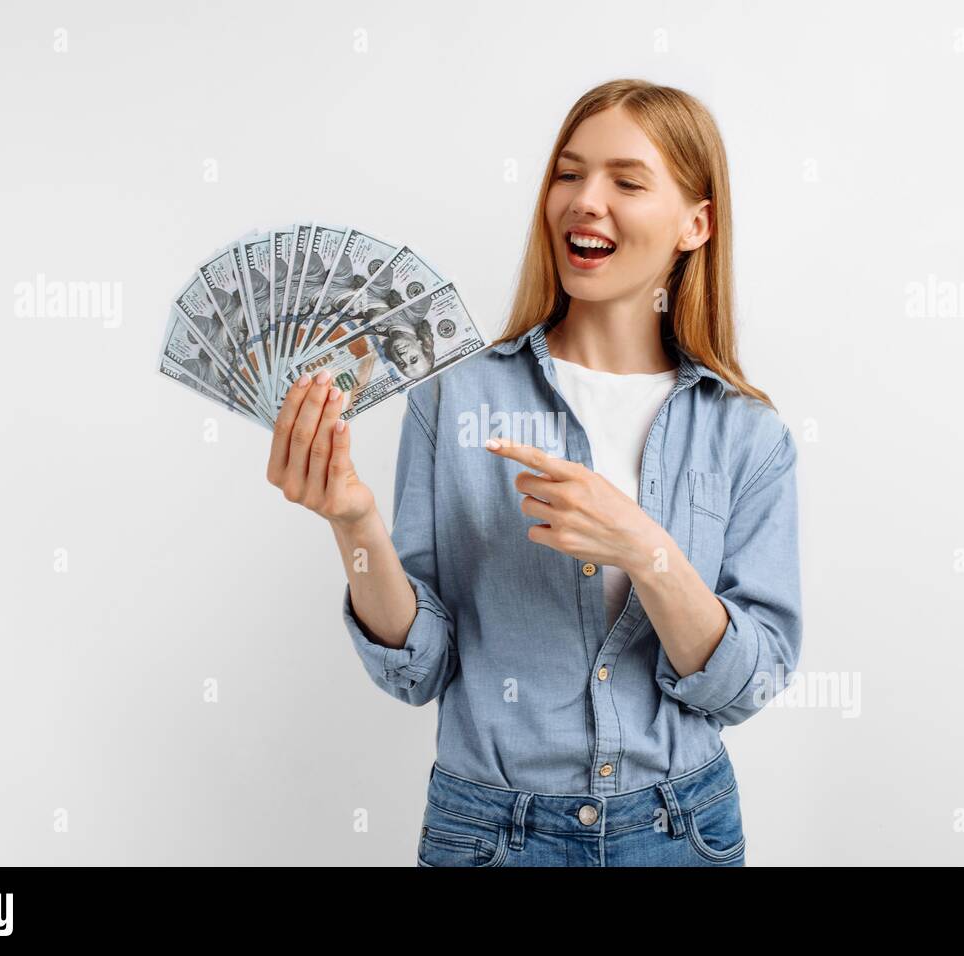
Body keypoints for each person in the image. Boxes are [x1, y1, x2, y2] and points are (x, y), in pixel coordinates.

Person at [266, 79, 802, 867]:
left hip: (679, 831)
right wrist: (353, 524)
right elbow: (420, 669)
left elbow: (746, 685)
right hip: (488, 834)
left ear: (697, 224)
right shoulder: (452, 398)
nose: (585, 201)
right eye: (568, 173)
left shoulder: (747, 434)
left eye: (625, 181)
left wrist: (645, 548)